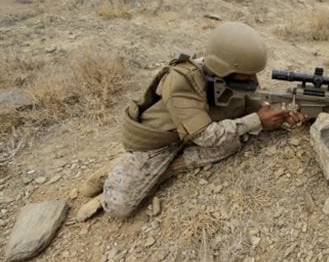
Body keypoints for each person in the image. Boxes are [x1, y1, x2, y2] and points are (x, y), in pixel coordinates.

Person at [77, 22, 306, 221]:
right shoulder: (182, 81)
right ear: (224, 68)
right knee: (119, 207)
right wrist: (257, 120)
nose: (254, 80)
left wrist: (280, 114)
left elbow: (252, 108)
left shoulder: (233, 77)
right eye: (248, 75)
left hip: (193, 131)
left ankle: (164, 172)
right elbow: (206, 136)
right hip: (161, 139)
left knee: (233, 143)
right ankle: (112, 172)